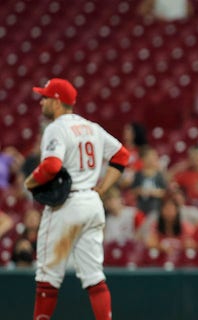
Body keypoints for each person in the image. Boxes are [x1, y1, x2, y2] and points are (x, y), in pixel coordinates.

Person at [25, 78, 130, 320]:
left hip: (66, 206)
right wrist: (102, 189)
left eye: (46, 97)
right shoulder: (91, 127)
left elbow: (51, 166)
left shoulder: (56, 128)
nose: (42, 102)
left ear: (58, 101)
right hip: (91, 204)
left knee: (47, 278)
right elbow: (121, 156)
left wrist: (30, 181)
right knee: (94, 277)